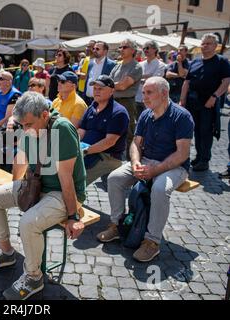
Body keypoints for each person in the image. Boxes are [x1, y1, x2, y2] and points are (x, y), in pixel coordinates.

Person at [0, 91, 87, 300]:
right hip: (37, 185)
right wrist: (15, 188)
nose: (25, 129)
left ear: (45, 115)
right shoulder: (29, 125)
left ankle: (34, 277)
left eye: (28, 124)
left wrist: (73, 217)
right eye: (22, 125)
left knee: (28, 223)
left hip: (62, 193)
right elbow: (21, 159)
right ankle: (6, 252)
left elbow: (67, 178)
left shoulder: (62, 128)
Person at [97, 77, 194, 262]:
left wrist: (155, 170)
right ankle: (116, 225)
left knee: (159, 189)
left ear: (164, 93)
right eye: (144, 93)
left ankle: (152, 242)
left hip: (174, 166)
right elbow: (136, 143)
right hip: (147, 160)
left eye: (149, 92)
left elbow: (182, 154)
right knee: (114, 178)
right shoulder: (145, 114)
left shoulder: (182, 116)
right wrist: (135, 163)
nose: (145, 97)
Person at [180, 33, 230, 172]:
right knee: (196, 130)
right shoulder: (195, 61)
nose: (205, 46)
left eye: (208, 43)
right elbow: (187, 81)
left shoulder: (221, 61)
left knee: (206, 131)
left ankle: (205, 160)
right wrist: (182, 100)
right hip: (192, 102)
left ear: (215, 46)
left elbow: (226, 82)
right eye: (203, 43)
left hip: (209, 102)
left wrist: (215, 97)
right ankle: (199, 156)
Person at [78, 75, 129, 186]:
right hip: (87, 150)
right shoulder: (92, 107)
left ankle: (72, 199)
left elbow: (109, 142)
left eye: (100, 88)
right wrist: (74, 147)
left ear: (111, 91)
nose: (96, 91)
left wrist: (85, 151)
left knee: (77, 179)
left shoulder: (118, 112)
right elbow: (81, 131)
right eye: (95, 88)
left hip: (107, 156)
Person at [109, 39, 143, 159]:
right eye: (120, 47)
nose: (121, 49)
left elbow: (123, 85)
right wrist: (113, 85)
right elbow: (109, 84)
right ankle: (113, 158)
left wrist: (112, 85)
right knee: (111, 130)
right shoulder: (117, 66)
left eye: (124, 47)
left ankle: (130, 160)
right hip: (113, 101)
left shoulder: (136, 67)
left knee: (128, 133)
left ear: (133, 50)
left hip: (127, 102)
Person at [135, 41, 167, 117]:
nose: (145, 50)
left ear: (155, 49)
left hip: (152, 100)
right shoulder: (140, 64)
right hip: (137, 98)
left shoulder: (161, 65)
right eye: (144, 48)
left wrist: (140, 77)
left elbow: (154, 81)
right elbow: (134, 78)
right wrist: (147, 76)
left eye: (147, 48)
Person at [83, 41, 117, 106]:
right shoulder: (90, 63)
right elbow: (88, 80)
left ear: (105, 51)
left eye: (97, 49)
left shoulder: (112, 65)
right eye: (94, 48)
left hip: (101, 101)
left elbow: (112, 83)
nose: (94, 50)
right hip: (87, 99)